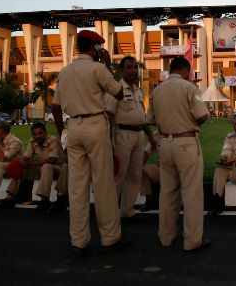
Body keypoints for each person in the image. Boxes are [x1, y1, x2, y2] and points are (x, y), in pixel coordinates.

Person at [51, 29, 129, 258]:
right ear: (94, 48)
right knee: (103, 184)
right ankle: (110, 238)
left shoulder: (64, 72)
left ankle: (79, 241)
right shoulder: (97, 68)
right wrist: (108, 65)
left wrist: (62, 132)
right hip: (95, 125)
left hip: (73, 127)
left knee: (77, 188)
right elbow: (118, 93)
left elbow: (55, 106)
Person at [146, 56, 210, 251]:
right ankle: (192, 241)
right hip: (186, 142)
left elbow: (150, 119)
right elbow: (203, 115)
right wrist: (189, 123)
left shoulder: (157, 91)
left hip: (165, 142)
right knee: (191, 193)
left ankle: (165, 236)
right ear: (185, 71)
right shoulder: (190, 88)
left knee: (167, 192)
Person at [105, 56, 156, 219]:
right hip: (122, 135)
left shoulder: (138, 91)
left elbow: (142, 117)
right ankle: (110, 214)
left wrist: (151, 137)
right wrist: (108, 141)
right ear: (122, 70)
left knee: (135, 174)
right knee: (119, 175)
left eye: (135, 67)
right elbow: (109, 116)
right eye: (129, 67)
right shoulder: (116, 89)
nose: (133, 70)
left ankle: (127, 210)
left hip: (139, 135)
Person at [21, 122, 63, 213]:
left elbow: (52, 160)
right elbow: (27, 157)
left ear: (45, 132)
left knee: (46, 166)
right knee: (19, 168)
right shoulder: (32, 141)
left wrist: (31, 163)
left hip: (57, 169)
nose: (37, 136)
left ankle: (44, 200)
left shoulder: (53, 140)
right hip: (41, 167)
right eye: (35, 134)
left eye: (40, 133)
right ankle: (11, 197)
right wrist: (21, 162)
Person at [139, 132, 161, 212]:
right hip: (161, 169)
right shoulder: (157, 135)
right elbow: (146, 154)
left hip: (176, 171)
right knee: (139, 169)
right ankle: (149, 199)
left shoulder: (180, 134)